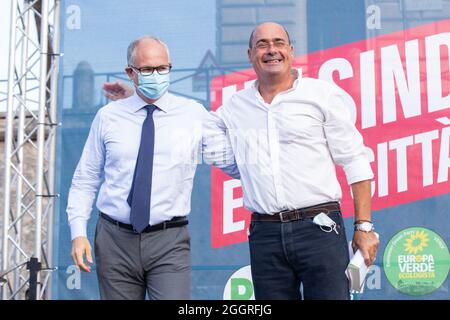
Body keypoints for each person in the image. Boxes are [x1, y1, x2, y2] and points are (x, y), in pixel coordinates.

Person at [103, 22, 379, 300]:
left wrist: (363, 227)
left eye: (278, 42)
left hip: (318, 228)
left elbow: (355, 159)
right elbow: (187, 119)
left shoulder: (321, 95)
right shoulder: (235, 106)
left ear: (291, 51)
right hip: (266, 234)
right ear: (250, 55)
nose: (271, 50)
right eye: (262, 44)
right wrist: (137, 99)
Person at [67, 35, 237, 300]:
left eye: (162, 68)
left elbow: (231, 162)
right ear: (130, 73)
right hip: (114, 240)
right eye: (147, 69)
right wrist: (78, 233)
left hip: (168, 240)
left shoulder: (192, 114)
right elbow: (85, 178)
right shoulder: (108, 117)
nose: (156, 75)